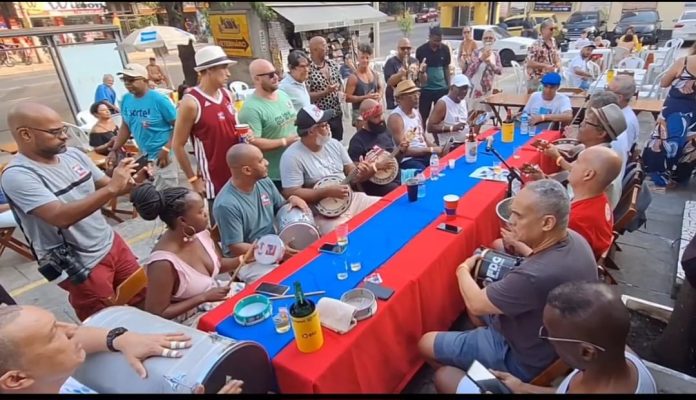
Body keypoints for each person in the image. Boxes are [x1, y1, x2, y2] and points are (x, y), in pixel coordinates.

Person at [420, 179, 598, 385]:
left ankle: (478, 383)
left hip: (522, 356)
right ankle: (479, 347)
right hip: (548, 340)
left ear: (547, 223)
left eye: (519, 216)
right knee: (481, 291)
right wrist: (520, 245)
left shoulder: (534, 276)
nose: (510, 220)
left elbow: (477, 305)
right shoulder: (574, 239)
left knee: (425, 343)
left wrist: (461, 270)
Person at [0, 102, 151, 321]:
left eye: (63, 129)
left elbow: (110, 185)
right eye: (55, 132)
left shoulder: (73, 155)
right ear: (25, 134)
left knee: (143, 294)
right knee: (108, 320)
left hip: (111, 243)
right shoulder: (18, 176)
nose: (64, 136)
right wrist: (112, 188)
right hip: (80, 264)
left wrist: (133, 178)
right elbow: (60, 216)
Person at [439, 282, 657, 394]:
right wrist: (524, 388)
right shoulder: (624, 356)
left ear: (586, 351)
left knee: (444, 376)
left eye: (550, 335)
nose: (547, 340)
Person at [0, 305, 245, 394]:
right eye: (54, 332)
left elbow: (82, 335)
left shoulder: (42, 379)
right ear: (16, 379)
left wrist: (118, 337)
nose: (71, 329)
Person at [130, 184, 250, 321]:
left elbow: (218, 264)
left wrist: (243, 259)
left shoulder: (201, 234)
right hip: (191, 318)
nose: (206, 214)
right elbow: (157, 312)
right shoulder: (162, 263)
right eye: (200, 211)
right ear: (183, 221)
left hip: (214, 298)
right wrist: (203, 298)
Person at [499, 146, 623, 261]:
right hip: (577, 258)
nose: (572, 165)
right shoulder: (599, 198)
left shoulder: (576, 219)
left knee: (498, 244)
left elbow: (547, 259)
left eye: (577, 162)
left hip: (562, 269)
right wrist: (543, 179)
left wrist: (516, 243)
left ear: (588, 174)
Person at [279, 105, 379, 235]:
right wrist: (325, 192)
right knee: (344, 236)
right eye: (324, 124)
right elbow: (290, 192)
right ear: (311, 131)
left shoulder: (334, 144)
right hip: (321, 213)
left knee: (386, 208)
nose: (329, 127)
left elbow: (351, 172)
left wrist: (365, 172)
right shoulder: (291, 156)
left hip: (351, 200)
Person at [213, 144, 310, 270]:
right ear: (247, 170)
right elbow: (236, 247)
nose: (267, 162)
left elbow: (280, 207)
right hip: (248, 260)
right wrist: (275, 251)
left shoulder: (263, 181)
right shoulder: (226, 204)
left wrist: (292, 200)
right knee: (287, 276)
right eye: (260, 161)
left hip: (275, 244)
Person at [171, 45, 240, 219]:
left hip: (238, 174)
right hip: (215, 180)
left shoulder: (226, 94)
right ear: (208, 70)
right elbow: (178, 145)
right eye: (223, 68)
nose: (228, 73)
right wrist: (193, 179)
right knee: (225, 233)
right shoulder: (191, 102)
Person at [542, 97, 627, 210]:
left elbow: (568, 201)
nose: (580, 125)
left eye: (586, 122)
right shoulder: (596, 152)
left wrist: (557, 158)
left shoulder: (598, 161)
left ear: (601, 133)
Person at [109, 63, 179, 190]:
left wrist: (166, 149)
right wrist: (114, 149)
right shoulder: (126, 99)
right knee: (146, 193)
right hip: (144, 154)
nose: (128, 84)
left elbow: (179, 126)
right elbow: (126, 126)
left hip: (163, 154)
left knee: (167, 192)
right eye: (125, 80)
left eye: (132, 80)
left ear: (145, 80)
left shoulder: (159, 100)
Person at [238, 59, 300, 192]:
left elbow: (294, 121)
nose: (276, 77)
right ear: (257, 79)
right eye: (270, 75)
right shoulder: (251, 109)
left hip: (295, 167)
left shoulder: (283, 95)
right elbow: (253, 143)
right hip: (274, 175)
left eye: (276, 73)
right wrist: (284, 141)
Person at [644, 41, 696, 187]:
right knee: (690, 142)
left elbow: (664, 82)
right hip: (694, 111)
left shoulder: (684, 62)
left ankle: (659, 174)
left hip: (675, 107)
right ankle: (678, 176)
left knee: (666, 138)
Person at [348, 99, 408, 196]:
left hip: (397, 177)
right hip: (377, 187)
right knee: (397, 192)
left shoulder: (385, 131)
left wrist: (401, 151)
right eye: (376, 117)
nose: (381, 119)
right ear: (366, 118)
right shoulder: (357, 142)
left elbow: (395, 161)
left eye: (381, 114)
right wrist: (375, 167)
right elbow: (354, 178)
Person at [387, 80, 445, 171]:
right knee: (425, 172)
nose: (416, 97)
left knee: (443, 166)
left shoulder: (416, 113)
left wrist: (436, 148)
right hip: (408, 159)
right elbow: (403, 150)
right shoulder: (396, 118)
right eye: (411, 94)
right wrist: (430, 150)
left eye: (417, 93)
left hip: (423, 154)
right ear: (400, 99)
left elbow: (423, 138)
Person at [306, 36, 344, 141]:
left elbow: (340, 82)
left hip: (336, 113)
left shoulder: (332, 64)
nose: (327, 47)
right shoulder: (308, 70)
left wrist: (341, 92)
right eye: (323, 45)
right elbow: (306, 95)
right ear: (314, 49)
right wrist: (325, 92)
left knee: (337, 143)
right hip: (320, 119)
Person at [416, 27, 452, 129]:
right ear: (430, 37)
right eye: (435, 40)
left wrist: (448, 86)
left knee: (440, 118)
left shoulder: (445, 49)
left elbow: (446, 68)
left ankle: (438, 139)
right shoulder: (421, 50)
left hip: (441, 89)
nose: (438, 43)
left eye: (440, 40)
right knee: (423, 116)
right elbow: (418, 70)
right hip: (426, 89)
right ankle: (422, 136)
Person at [383, 38, 427, 111]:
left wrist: (422, 72)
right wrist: (400, 74)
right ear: (398, 49)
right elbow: (389, 82)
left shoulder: (415, 61)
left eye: (408, 48)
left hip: (411, 102)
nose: (406, 51)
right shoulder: (391, 62)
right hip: (395, 102)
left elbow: (423, 82)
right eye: (403, 48)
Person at [345, 43, 383, 127]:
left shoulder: (374, 74)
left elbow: (380, 87)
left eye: (367, 58)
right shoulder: (353, 78)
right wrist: (365, 97)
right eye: (362, 57)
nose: (365, 60)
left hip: (374, 111)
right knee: (363, 137)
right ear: (358, 58)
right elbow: (347, 98)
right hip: (360, 113)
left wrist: (379, 96)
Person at [464, 29, 503, 113]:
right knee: (472, 114)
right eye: (486, 38)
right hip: (476, 89)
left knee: (483, 116)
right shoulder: (476, 53)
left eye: (490, 38)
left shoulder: (495, 55)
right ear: (482, 39)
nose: (488, 40)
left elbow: (500, 71)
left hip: (488, 90)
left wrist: (491, 64)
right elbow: (470, 71)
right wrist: (481, 59)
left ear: (494, 40)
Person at [427, 74, 471, 145]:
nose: (463, 91)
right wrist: (452, 128)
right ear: (452, 87)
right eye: (460, 88)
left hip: (464, 143)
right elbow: (430, 128)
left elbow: (464, 122)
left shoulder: (464, 102)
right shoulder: (443, 103)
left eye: (465, 88)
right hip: (450, 145)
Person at [607, 75, 640, 161]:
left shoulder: (625, 122)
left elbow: (620, 155)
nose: (604, 93)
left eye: (608, 90)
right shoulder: (616, 112)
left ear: (619, 98)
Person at [525, 19, 562, 93]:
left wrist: (558, 64)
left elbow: (555, 56)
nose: (553, 31)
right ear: (543, 30)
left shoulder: (553, 41)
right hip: (537, 79)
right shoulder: (536, 45)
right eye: (551, 29)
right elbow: (529, 63)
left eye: (554, 29)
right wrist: (545, 66)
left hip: (550, 78)